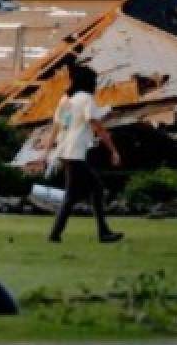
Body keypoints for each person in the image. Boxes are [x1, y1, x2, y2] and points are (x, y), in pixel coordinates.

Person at [33, 63, 124, 243]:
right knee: (95, 188)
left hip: (65, 151)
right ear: (89, 82)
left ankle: (56, 234)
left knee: (73, 195)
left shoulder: (66, 100)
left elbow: (58, 127)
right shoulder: (86, 99)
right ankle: (103, 233)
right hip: (75, 152)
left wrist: (46, 153)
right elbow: (96, 125)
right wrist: (113, 150)